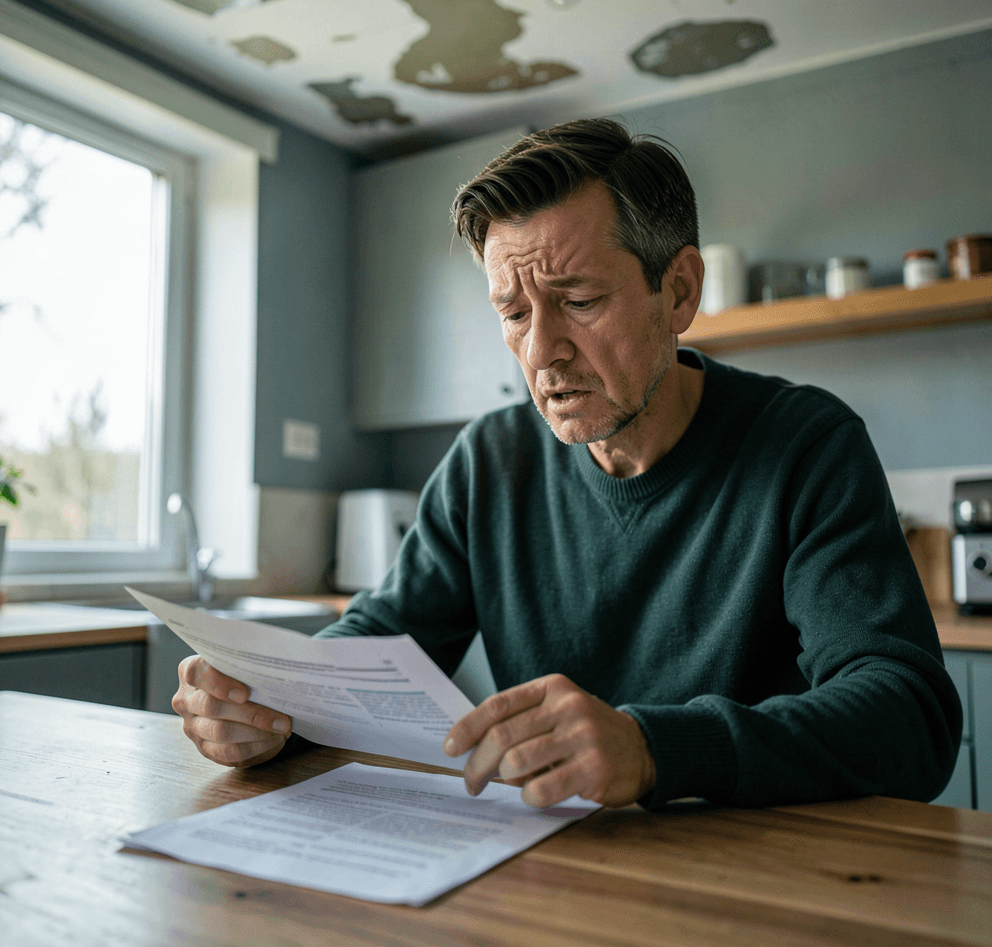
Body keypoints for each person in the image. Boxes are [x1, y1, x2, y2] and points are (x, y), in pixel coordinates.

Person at [173, 118, 961, 811]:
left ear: (678, 292)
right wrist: (272, 706)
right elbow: (382, 640)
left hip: (760, 876)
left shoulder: (805, 445)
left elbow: (908, 716)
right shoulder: (488, 461)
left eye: (579, 300)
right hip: (553, 875)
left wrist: (651, 749)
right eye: (513, 313)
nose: (541, 351)